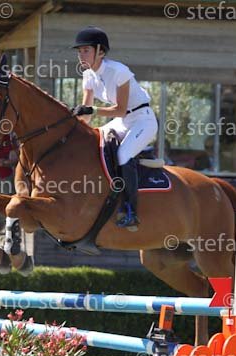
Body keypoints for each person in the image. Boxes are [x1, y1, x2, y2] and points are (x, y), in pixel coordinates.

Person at [71, 26, 158, 229]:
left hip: (142, 120)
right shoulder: (88, 75)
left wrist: (92, 109)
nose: (81, 55)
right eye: (79, 51)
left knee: (123, 154)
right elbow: (86, 116)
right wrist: (73, 125)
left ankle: (130, 210)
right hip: (123, 122)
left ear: (100, 51)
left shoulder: (119, 72)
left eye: (86, 50)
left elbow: (120, 110)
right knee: (95, 143)